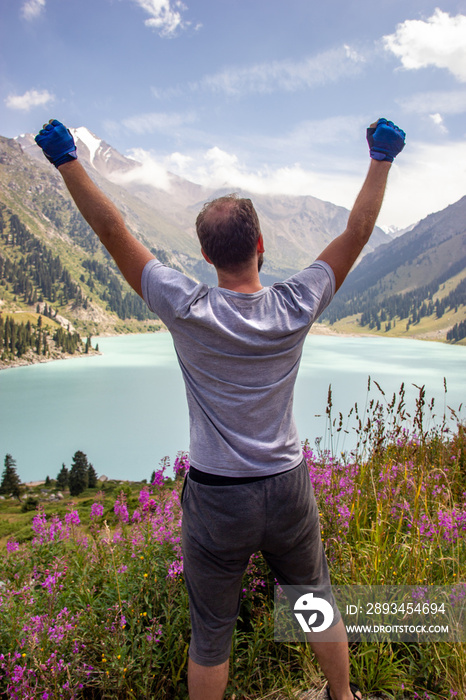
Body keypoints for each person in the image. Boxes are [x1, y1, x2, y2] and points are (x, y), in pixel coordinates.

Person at [35, 117, 406, 700]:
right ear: (261, 247)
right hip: (286, 485)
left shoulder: (186, 307)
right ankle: (344, 697)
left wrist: (67, 161)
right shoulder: (297, 303)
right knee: (313, 599)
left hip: (216, 497)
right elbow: (357, 234)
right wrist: (381, 158)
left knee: (211, 633)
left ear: (205, 256)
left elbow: (112, 231)